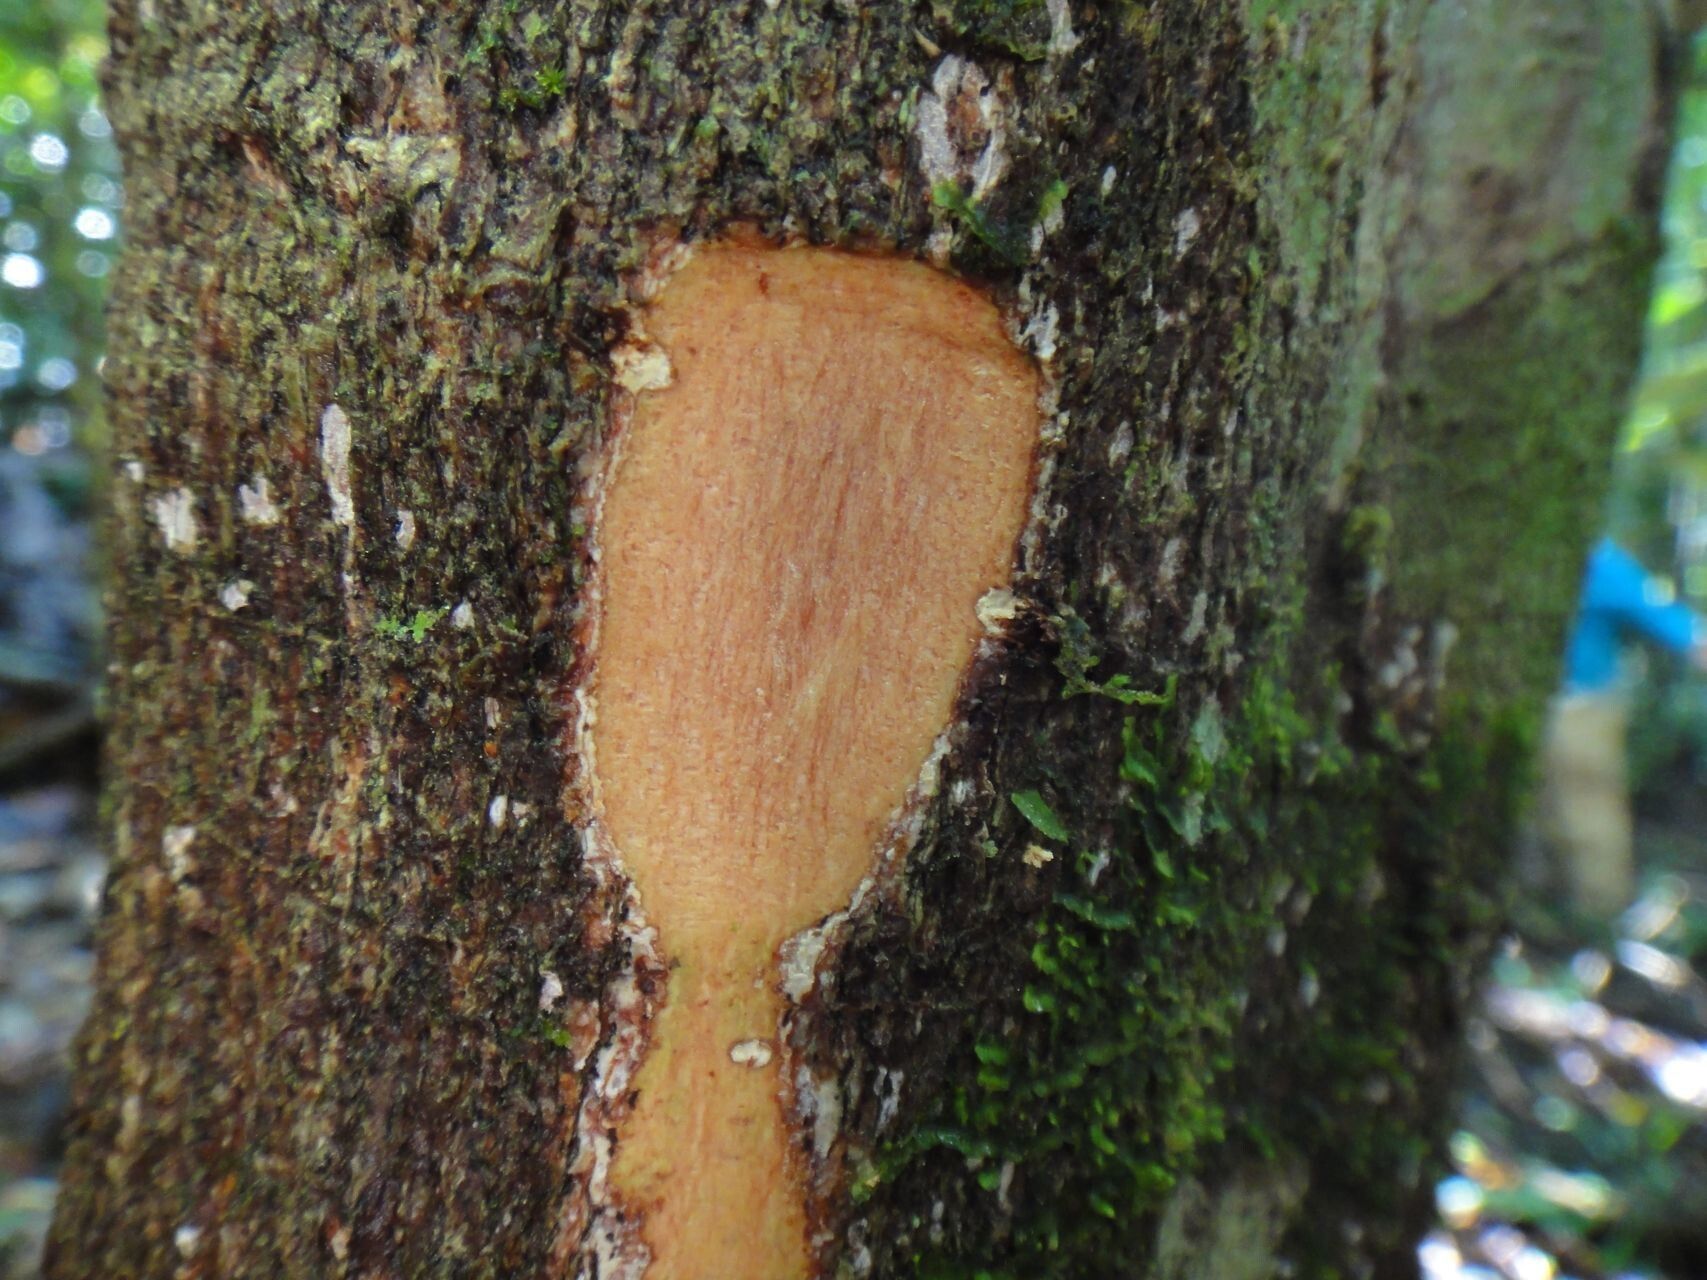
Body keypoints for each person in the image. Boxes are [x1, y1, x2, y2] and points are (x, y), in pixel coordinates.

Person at [1539, 537, 1707, 915]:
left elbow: (1681, 629)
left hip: (1581, 708)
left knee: (1588, 814)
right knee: (1547, 814)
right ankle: (1553, 914)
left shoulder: (1599, 563)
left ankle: (1600, 918)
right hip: (1536, 704)